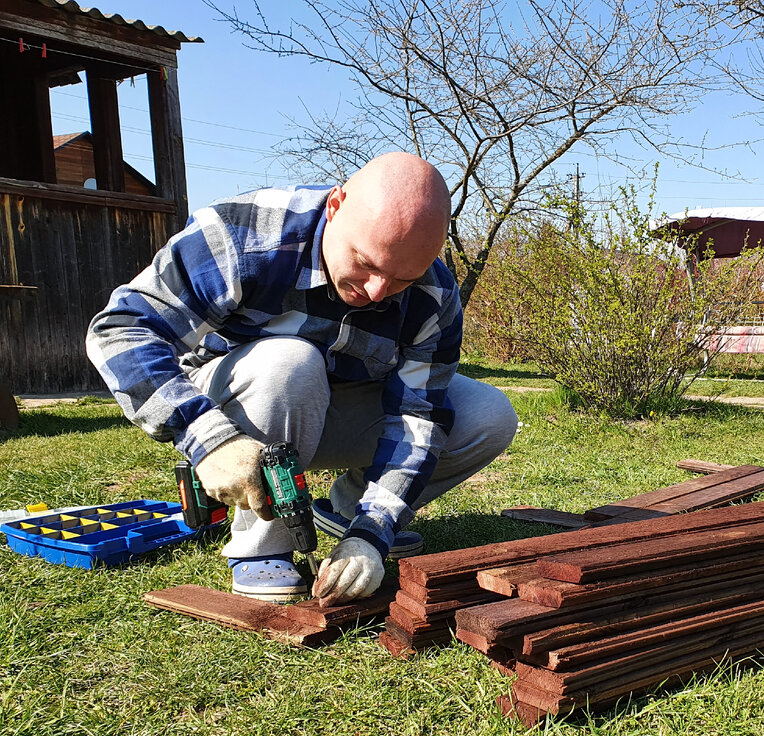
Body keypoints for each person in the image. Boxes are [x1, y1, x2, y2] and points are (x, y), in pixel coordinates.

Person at [86, 152, 517, 606]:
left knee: (486, 414)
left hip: (335, 401)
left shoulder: (434, 294)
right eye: (365, 262)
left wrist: (374, 532)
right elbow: (121, 330)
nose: (374, 293)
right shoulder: (243, 234)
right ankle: (262, 547)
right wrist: (206, 438)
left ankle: (347, 516)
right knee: (291, 362)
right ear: (335, 205)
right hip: (237, 400)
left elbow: (419, 416)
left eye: (399, 280)